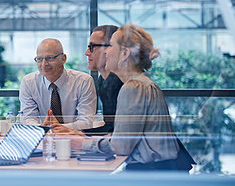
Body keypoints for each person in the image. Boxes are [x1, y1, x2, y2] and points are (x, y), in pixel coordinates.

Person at [54, 24, 194, 171]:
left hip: (151, 173)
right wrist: (83, 137)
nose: (106, 52)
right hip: (161, 169)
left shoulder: (133, 88)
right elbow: (122, 136)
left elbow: (121, 146)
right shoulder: (140, 83)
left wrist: (81, 143)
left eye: (111, 46)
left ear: (125, 53)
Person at [19, 38, 96, 130]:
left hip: (74, 138)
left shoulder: (83, 81)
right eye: (39, 59)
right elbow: (28, 119)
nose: (44, 64)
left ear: (63, 59)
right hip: (42, 139)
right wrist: (43, 128)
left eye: (50, 58)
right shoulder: (29, 82)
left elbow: (87, 122)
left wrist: (58, 128)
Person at [84, 25, 123, 134]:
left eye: (92, 47)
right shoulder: (103, 80)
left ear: (110, 48)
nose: (87, 53)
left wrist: (79, 133)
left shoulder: (121, 83)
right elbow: (110, 127)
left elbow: (115, 131)